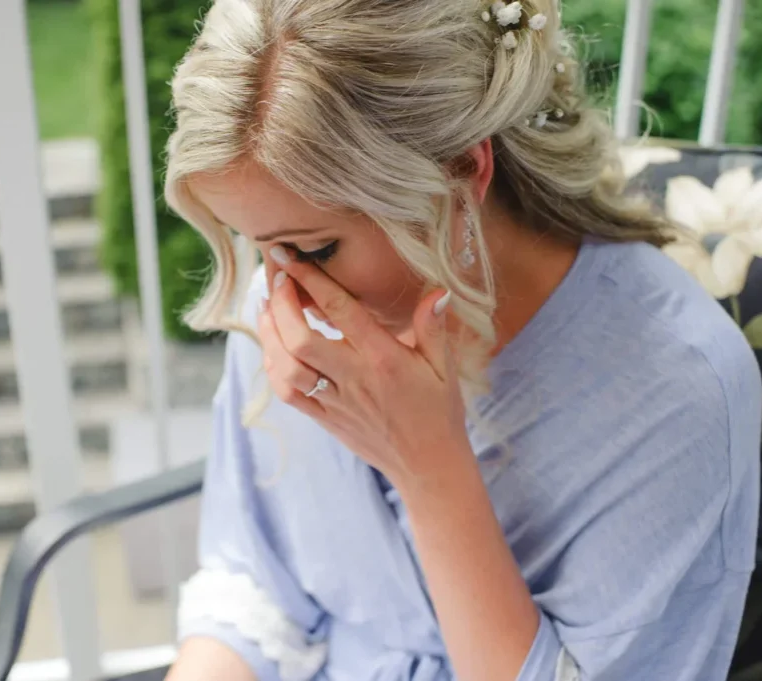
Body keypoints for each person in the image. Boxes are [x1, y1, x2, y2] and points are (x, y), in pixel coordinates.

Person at [161, 1, 761, 680]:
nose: (281, 293)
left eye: (315, 248)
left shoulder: (676, 392)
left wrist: (428, 467)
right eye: (256, 243)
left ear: (461, 174)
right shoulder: (288, 280)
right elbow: (255, 587)